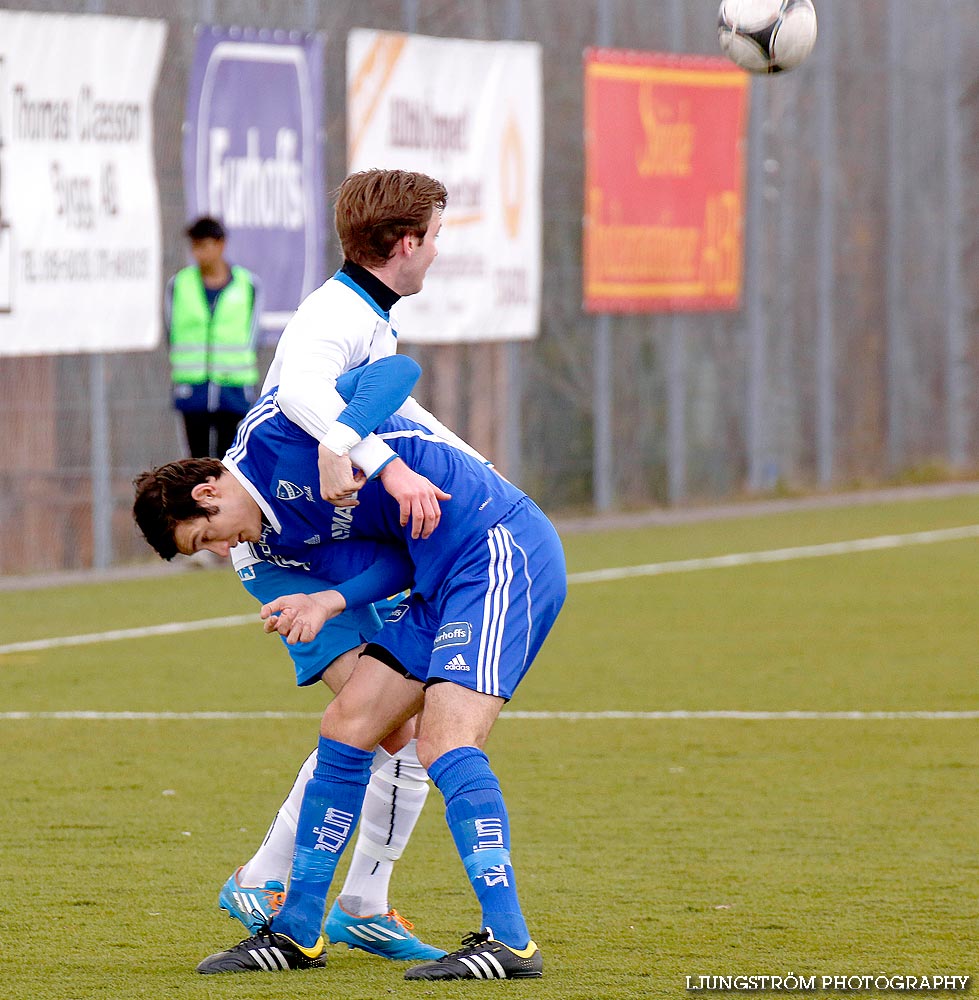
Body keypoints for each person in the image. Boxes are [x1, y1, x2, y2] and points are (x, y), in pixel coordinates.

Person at [132, 363, 567, 981]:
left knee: (444, 740)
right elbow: (395, 562)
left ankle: (510, 941)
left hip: (495, 546)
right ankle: (297, 932)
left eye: (206, 537)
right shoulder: (275, 540)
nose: (221, 549)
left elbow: (394, 370)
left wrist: (339, 440)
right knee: (347, 724)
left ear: (207, 493)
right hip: (434, 579)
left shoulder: (272, 435)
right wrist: (327, 602)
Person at [223, 535, 444, 962]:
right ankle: (260, 875)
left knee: (415, 730)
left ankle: (363, 904)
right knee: (384, 722)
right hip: (297, 561)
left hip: (366, 554)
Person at [166, 216, 262, 459]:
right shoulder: (179, 284)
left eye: (205, 245)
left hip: (233, 387)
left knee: (230, 459)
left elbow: (253, 333)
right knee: (195, 460)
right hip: (193, 386)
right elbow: (171, 330)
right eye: (195, 246)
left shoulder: (248, 284)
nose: (200, 253)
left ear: (220, 244)